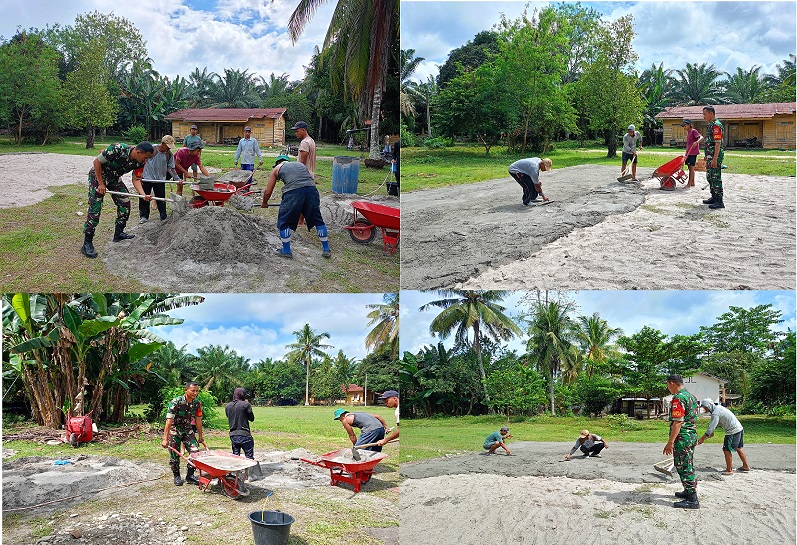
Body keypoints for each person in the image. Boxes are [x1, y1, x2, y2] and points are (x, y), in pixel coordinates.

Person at [80, 141, 156, 259]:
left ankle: (118, 233)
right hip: (98, 175)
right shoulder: (118, 149)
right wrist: (100, 183)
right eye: (145, 157)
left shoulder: (140, 162)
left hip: (114, 178)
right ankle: (87, 243)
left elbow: (136, 179)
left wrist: (143, 195)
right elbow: (96, 162)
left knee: (125, 204)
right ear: (138, 152)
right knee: (95, 208)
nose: (146, 160)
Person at [261, 155, 332, 259]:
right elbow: (307, 182)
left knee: (284, 221)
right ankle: (326, 249)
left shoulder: (277, 168)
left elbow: (268, 191)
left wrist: (264, 203)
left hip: (293, 192)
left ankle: (286, 250)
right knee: (317, 219)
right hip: (312, 190)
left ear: (278, 163)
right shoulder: (300, 165)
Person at [663, 374, 700, 509]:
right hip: (691, 436)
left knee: (684, 466)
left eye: (668, 385)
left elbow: (678, 422)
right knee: (687, 463)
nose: (668, 388)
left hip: (682, 438)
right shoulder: (691, 397)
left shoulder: (678, 398)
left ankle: (692, 499)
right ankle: (687, 491)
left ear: (672, 383)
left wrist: (670, 442)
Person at [161, 382, 204, 486]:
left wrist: (201, 436)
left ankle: (190, 476)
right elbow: (169, 421)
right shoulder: (176, 402)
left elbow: (198, 419)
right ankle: (176, 476)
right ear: (186, 390)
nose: (195, 393)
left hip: (188, 429)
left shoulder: (197, 403)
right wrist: (165, 439)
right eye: (192, 390)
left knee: (196, 452)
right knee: (174, 455)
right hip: (174, 429)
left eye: (197, 391)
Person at [697, 398, 751, 475]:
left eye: (705, 407)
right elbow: (715, 424)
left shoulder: (715, 413)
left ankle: (729, 470)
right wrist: (711, 433)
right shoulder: (719, 408)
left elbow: (711, 427)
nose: (705, 409)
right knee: (738, 448)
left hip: (732, 431)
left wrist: (702, 439)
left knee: (726, 450)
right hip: (739, 428)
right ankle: (746, 466)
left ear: (709, 406)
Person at [134, 135, 180, 224]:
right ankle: (144, 216)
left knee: (161, 199)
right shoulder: (152, 150)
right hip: (147, 178)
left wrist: (177, 179)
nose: (169, 149)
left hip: (160, 180)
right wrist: (140, 176)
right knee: (144, 198)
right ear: (163, 143)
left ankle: (163, 216)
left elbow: (171, 168)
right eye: (168, 146)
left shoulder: (169, 154)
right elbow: (142, 162)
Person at [701, 105, 725, 209]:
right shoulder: (711, 125)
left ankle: (719, 201)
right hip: (710, 156)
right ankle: (714, 197)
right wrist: (707, 156)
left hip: (715, 156)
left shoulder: (716, 125)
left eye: (705, 114)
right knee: (710, 176)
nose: (703, 116)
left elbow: (717, 143)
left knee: (715, 177)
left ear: (711, 113)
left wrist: (715, 158)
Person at [225, 387, 255, 459]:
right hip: (245, 434)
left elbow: (228, 416)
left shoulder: (227, 406)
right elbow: (251, 418)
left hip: (233, 435)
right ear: (242, 395)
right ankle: (249, 470)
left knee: (235, 457)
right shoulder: (246, 404)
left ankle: (236, 470)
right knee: (249, 457)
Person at [681, 119, 703, 188]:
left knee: (691, 168)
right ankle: (692, 182)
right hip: (688, 153)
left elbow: (701, 137)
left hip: (692, 153)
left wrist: (697, 142)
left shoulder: (693, 131)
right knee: (690, 168)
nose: (684, 127)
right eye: (683, 126)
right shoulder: (688, 132)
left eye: (685, 125)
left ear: (689, 125)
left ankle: (689, 184)